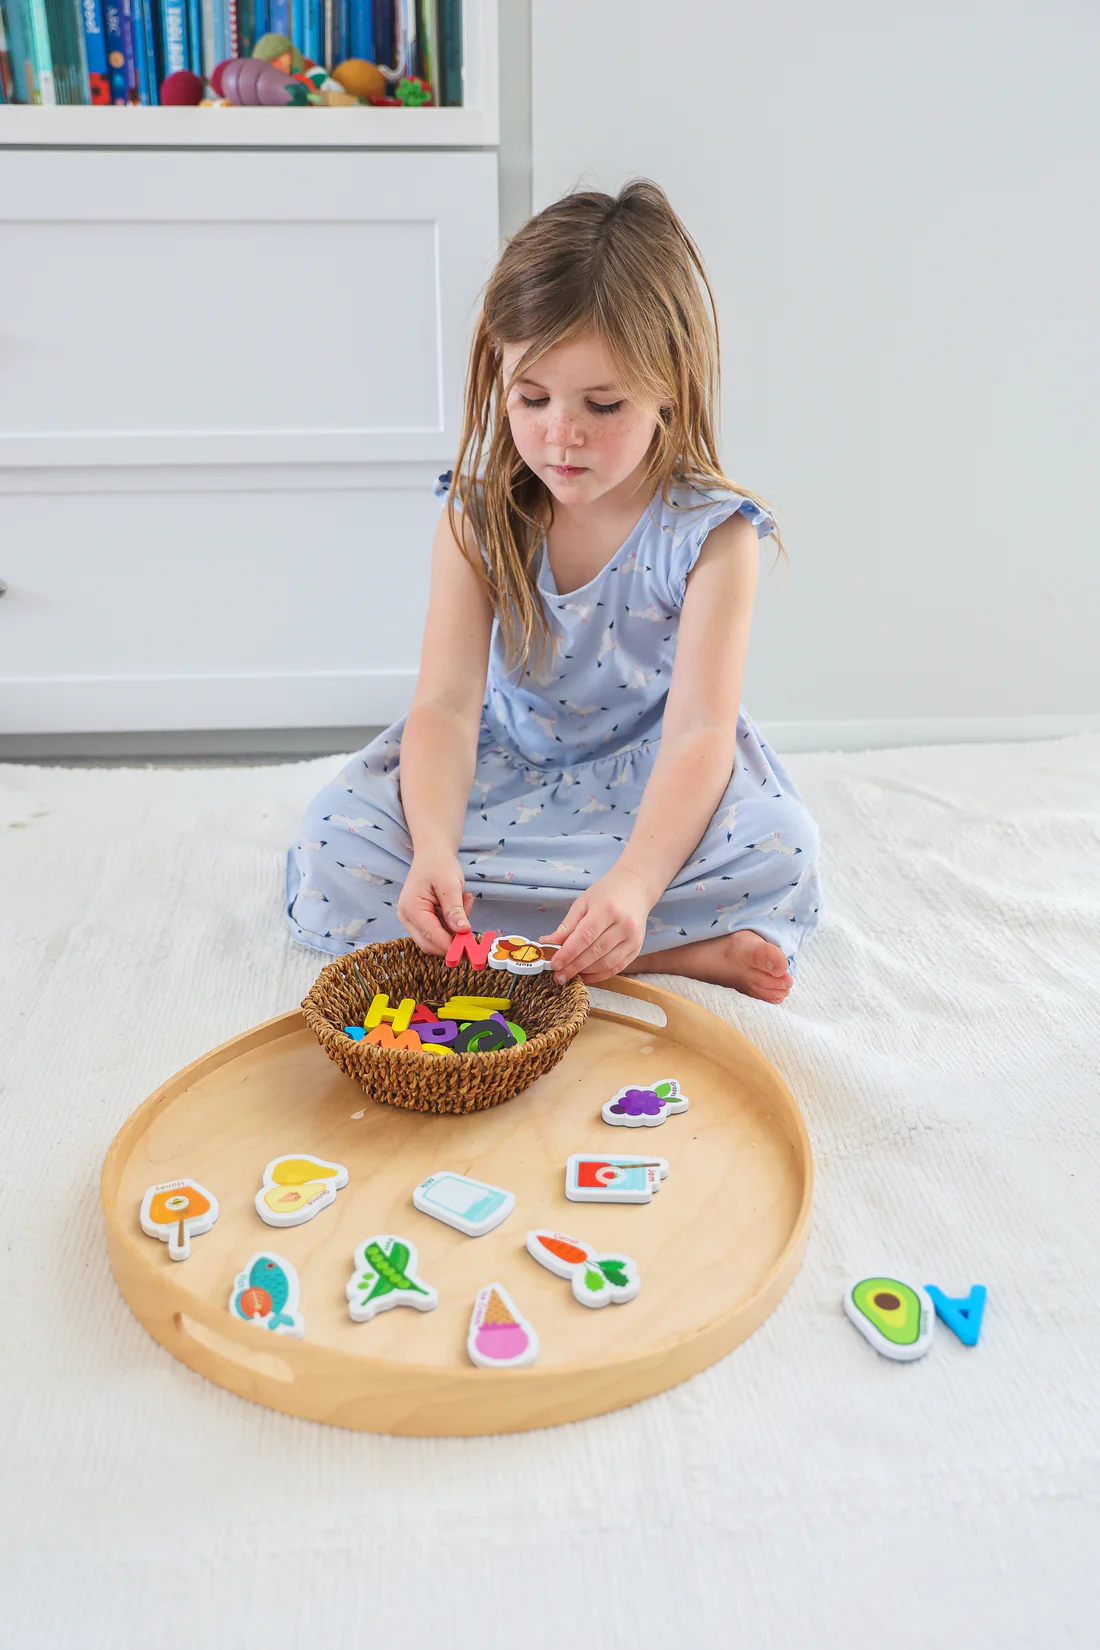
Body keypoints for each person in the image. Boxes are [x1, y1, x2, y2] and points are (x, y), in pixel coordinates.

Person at [286, 180, 820, 1003]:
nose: (560, 435)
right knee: (336, 845)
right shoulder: (476, 520)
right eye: (531, 399)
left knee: (782, 845)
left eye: (602, 405)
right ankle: (654, 952)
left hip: (656, 790)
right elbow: (445, 710)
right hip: (496, 772)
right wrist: (434, 852)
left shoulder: (713, 537)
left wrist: (636, 882)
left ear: (670, 384)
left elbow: (700, 734)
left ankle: (585, 939)